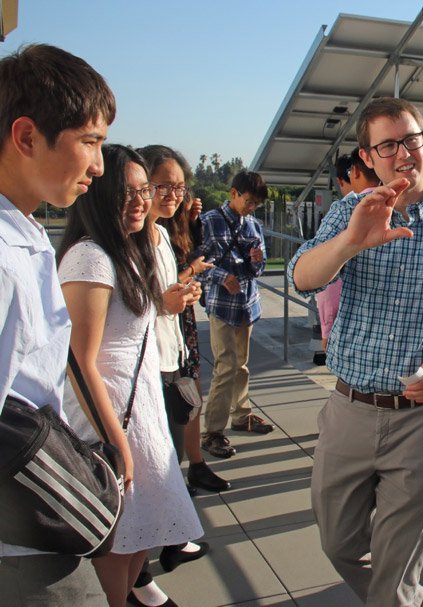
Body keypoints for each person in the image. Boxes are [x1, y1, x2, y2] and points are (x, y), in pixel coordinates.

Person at [288, 96, 423, 607]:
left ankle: (399, 597)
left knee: (397, 565)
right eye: (388, 145)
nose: (404, 153)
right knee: (338, 542)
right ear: (368, 157)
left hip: (422, 420)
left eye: (412, 139)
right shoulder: (349, 212)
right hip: (350, 407)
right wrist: (351, 242)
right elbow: (301, 277)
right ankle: (408, 599)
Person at [57, 144, 203, 607]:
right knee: (117, 538)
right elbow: (79, 360)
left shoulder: (128, 250)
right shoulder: (91, 257)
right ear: (99, 195)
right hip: (109, 414)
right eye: (128, 192)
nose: (141, 201)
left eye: (144, 191)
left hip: (140, 409)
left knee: (144, 531)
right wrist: (115, 442)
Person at [0, 43, 114, 607]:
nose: (99, 165)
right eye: (90, 142)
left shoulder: (25, 234)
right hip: (22, 546)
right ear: (27, 137)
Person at [124, 144, 217, 607]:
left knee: (169, 460)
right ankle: (138, 575)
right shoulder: (127, 239)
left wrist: (182, 291)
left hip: (170, 359)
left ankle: (169, 542)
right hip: (142, 371)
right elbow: (122, 310)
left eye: (179, 186)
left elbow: (162, 296)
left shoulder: (160, 234)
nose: (172, 195)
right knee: (146, 473)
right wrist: (165, 302)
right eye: (162, 186)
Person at [198, 170, 272, 458]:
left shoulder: (253, 225)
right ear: (233, 193)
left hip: (246, 303)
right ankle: (213, 431)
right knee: (226, 365)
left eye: (256, 204)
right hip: (222, 305)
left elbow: (259, 268)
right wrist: (221, 276)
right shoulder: (209, 221)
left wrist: (257, 261)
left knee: (241, 364)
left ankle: (241, 415)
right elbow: (195, 263)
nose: (251, 208)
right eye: (248, 201)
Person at [314, 148, 380, 353]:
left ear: (355, 172)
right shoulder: (404, 208)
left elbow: (327, 282)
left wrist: (327, 327)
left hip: (352, 333)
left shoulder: (343, 212)